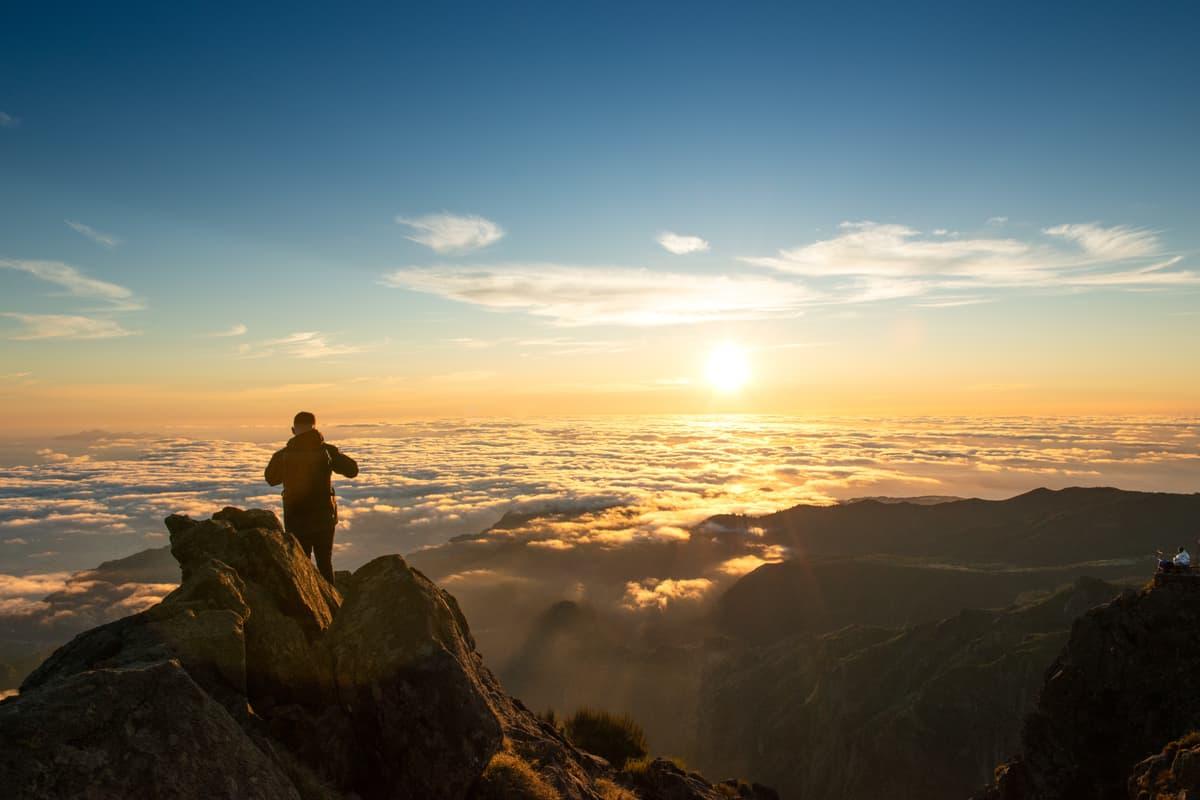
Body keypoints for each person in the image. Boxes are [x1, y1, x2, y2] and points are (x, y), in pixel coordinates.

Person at [265, 411, 358, 582]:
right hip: (324, 517)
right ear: (315, 428)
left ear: (293, 430)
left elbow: (271, 479)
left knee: (301, 563)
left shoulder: (282, 455)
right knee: (325, 563)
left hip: (296, 519)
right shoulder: (327, 451)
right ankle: (333, 604)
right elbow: (352, 470)